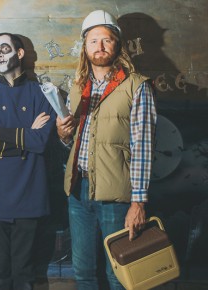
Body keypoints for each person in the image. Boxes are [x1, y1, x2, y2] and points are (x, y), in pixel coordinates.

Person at [56, 10, 157, 290]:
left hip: (117, 198)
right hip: (78, 193)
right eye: (93, 41)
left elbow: (144, 148)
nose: (99, 46)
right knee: (84, 272)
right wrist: (63, 136)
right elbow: (74, 142)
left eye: (107, 40)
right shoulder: (78, 88)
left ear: (117, 44)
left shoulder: (137, 87)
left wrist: (138, 203)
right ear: (85, 47)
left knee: (120, 273)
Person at [0, 32, 56, 290]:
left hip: (29, 197)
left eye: (4, 49)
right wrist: (25, 136)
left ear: (19, 54)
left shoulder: (42, 93)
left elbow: (40, 142)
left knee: (25, 276)